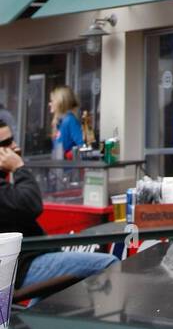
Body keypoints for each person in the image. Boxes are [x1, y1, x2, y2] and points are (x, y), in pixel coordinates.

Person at [0, 119, 116, 302]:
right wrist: (19, 168)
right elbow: (31, 204)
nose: (14, 146)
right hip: (20, 268)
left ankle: (31, 325)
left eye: (12, 140)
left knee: (55, 291)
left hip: (27, 260)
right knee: (111, 264)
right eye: (6, 144)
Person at [49, 85, 83, 158]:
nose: (50, 104)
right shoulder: (59, 122)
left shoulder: (70, 120)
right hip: (59, 168)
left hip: (69, 168)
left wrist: (68, 155)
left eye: (52, 101)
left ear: (60, 102)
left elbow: (82, 146)